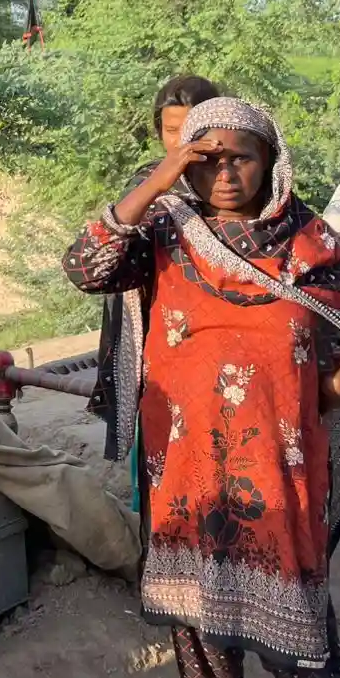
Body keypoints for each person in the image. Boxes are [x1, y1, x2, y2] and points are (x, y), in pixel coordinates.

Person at [64, 97, 340, 678]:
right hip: (185, 471)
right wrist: (160, 178)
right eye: (206, 159)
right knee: (198, 632)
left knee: (304, 644)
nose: (224, 174)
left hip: (279, 471)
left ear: (270, 162)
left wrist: (339, 382)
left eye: (240, 158)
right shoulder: (163, 234)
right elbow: (85, 267)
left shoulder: (310, 240)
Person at [89, 75, 222, 461]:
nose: (180, 143)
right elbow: (93, 262)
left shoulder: (242, 182)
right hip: (160, 330)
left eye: (193, 130)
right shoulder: (150, 184)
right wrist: (158, 187)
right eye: (171, 131)